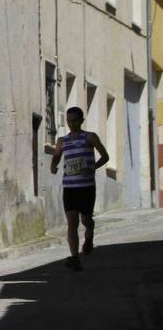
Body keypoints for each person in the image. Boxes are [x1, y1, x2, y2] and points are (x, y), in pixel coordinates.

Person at [50, 106, 110, 271]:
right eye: (69, 121)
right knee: (72, 224)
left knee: (86, 220)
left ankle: (89, 234)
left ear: (81, 120)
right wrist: (53, 166)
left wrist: (93, 167)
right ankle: (75, 257)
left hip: (86, 187)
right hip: (70, 188)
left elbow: (105, 156)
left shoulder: (90, 137)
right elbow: (56, 157)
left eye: (75, 120)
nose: (71, 124)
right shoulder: (62, 141)